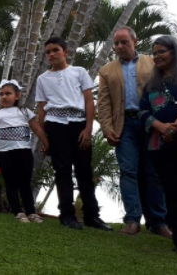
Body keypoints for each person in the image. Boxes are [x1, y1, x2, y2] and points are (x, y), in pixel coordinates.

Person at [97, 27, 169, 237]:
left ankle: (159, 222)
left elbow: (164, 90)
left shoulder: (152, 62)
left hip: (152, 124)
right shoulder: (106, 70)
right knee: (127, 171)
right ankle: (132, 221)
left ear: (134, 42)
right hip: (124, 126)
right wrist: (107, 128)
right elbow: (103, 103)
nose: (120, 46)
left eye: (124, 42)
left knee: (154, 172)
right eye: (117, 43)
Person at [35, 37, 111, 231]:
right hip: (55, 126)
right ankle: (67, 215)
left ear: (65, 52)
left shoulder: (79, 72)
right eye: (48, 52)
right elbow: (41, 109)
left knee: (84, 171)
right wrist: (44, 138)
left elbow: (88, 101)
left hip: (78, 125)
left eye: (55, 50)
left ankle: (92, 216)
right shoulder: (43, 79)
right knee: (62, 171)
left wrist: (88, 129)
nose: (51, 54)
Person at [0, 80, 49, 223]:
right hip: (4, 153)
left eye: (8, 93)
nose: (4, 97)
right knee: (11, 183)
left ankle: (31, 212)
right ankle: (18, 212)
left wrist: (47, 144)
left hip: (24, 152)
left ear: (17, 96)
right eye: (1, 94)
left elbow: (37, 129)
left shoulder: (26, 112)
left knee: (25, 183)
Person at [139, 35, 177, 253]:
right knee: (172, 191)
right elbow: (141, 111)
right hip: (161, 146)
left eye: (161, 52)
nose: (156, 56)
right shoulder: (152, 84)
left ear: (174, 52)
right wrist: (159, 126)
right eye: (154, 52)